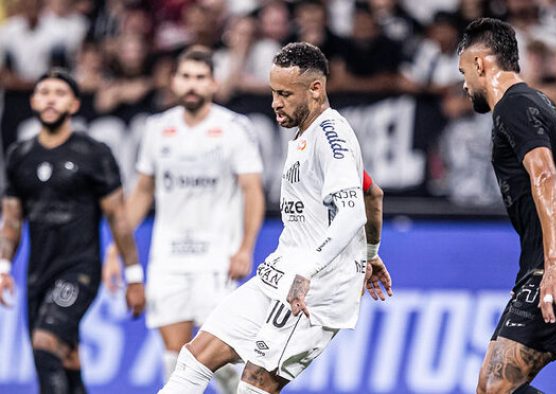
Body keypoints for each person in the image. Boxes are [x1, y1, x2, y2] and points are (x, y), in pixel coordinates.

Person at [158, 42, 392, 394]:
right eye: (272, 92)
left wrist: (310, 271)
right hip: (281, 272)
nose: (274, 103)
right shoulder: (307, 134)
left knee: (254, 384)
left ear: (316, 89)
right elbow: (372, 193)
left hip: (316, 289)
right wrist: (370, 254)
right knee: (195, 356)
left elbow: (351, 212)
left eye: (285, 94)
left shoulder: (333, 136)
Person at [102, 45, 265, 393]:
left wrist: (245, 248)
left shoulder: (234, 127)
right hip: (169, 259)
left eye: (200, 78)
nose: (193, 85)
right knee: (174, 358)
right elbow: (142, 192)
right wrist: (117, 251)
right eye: (186, 77)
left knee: (221, 358)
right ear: (174, 81)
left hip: (216, 257)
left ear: (213, 84)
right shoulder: (157, 128)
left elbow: (252, 190)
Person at [457, 18, 556, 393]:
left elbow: (548, 177)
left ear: (481, 64)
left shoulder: (512, 107)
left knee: (495, 388)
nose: (463, 85)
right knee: (493, 386)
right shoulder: (541, 102)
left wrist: (552, 264)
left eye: (462, 73)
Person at [0, 68, 145, 394]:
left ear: (75, 104)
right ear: (34, 100)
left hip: (79, 269)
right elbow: (11, 221)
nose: (51, 99)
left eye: (60, 93)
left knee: (45, 345)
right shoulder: (19, 156)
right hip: (39, 273)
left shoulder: (94, 154)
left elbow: (118, 219)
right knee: (66, 357)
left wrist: (134, 275)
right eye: (45, 92)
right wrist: (3, 267)